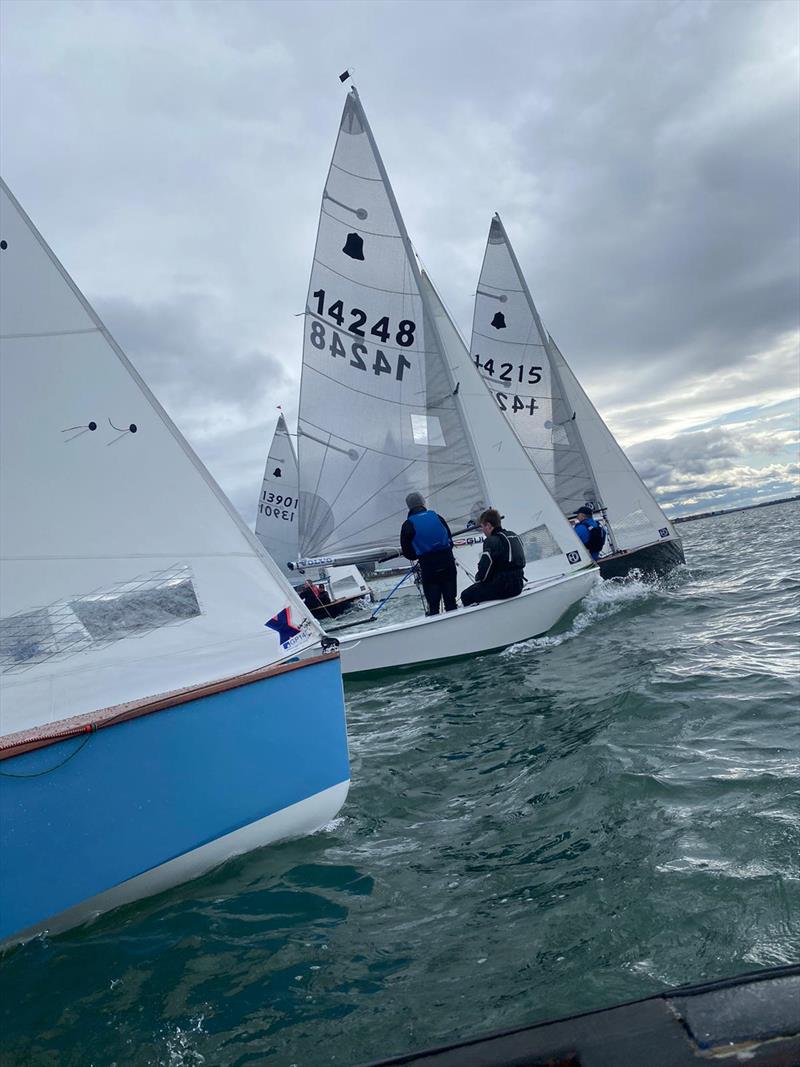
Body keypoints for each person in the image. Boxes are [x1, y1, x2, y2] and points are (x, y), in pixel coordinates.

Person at [400, 491, 458, 615]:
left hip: (428, 567)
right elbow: (450, 541)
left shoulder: (407, 525)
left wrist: (419, 554)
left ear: (409, 507)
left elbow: (407, 552)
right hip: (447, 563)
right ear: (423, 503)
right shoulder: (438, 517)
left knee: (433, 606)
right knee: (451, 602)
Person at [460, 508, 526, 607]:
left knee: (465, 595)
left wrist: (478, 579)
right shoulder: (514, 535)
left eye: (482, 527)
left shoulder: (491, 541)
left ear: (489, 525)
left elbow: (483, 572)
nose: (483, 531)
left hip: (503, 588)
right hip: (518, 584)